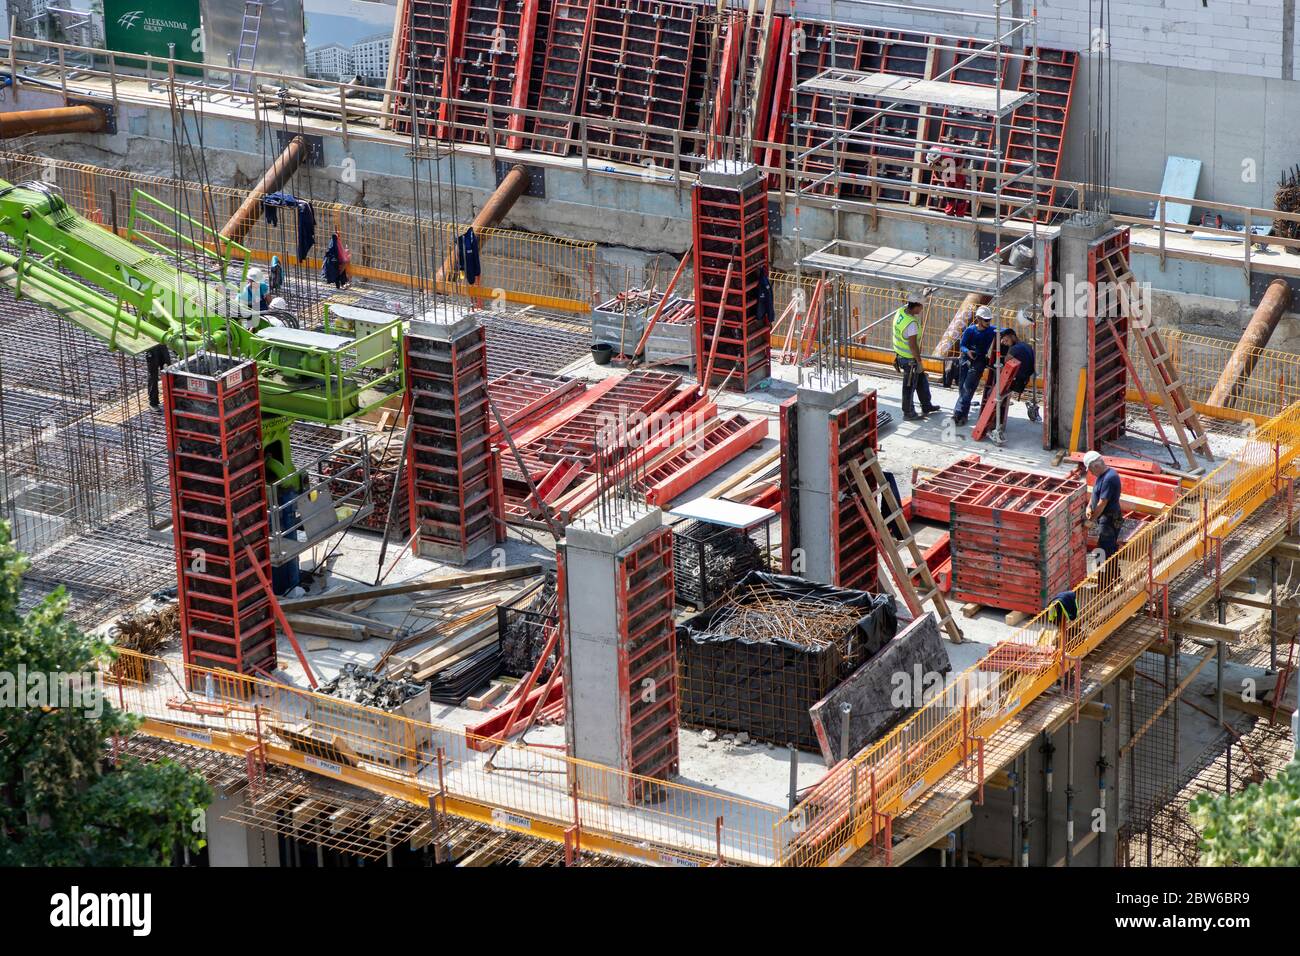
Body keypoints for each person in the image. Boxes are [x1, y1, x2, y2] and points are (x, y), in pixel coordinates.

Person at [892, 291, 940, 421]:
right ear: (916, 306)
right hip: (909, 360)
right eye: (921, 306)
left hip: (900, 355)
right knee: (909, 387)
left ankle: (926, 405)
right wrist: (919, 362)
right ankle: (908, 413)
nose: (922, 308)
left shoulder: (901, 311)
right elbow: (913, 346)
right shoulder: (911, 324)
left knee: (921, 381)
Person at [981, 326, 1037, 433]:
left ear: (1013, 337)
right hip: (1024, 380)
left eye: (1006, 340)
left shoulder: (1014, 349)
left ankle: (993, 422)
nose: (1005, 343)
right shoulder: (1027, 346)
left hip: (1016, 380)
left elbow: (1005, 363)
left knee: (991, 394)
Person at [952, 305, 996, 425]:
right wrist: (967, 352)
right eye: (986, 320)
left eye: (989, 320)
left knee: (968, 387)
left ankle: (958, 413)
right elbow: (962, 345)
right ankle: (963, 415)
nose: (988, 322)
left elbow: (1004, 331)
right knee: (963, 388)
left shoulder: (992, 330)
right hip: (966, 360)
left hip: (979, 361)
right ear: (978, 319)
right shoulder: (970, 330)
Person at [1084, 450, 1124, 561]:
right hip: (1105, 518)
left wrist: (1090, 520)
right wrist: (1089, 506)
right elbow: (1095, 492)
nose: (1091, 473)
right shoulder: (1102, 476)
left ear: (1096, 466)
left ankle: (1105, 576)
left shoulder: (1109, 478)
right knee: (1107, 549)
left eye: (1091, 470)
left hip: (1110, 519)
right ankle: (1115, 576)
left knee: (1103, 550)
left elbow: (1102, 503)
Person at [927, 140, 970, 218]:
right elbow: (931, 159)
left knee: (959, 191)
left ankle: (959, 214)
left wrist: (961, 165)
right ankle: (949, 212)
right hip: (946, 168)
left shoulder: (950, 153)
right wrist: (931, 162)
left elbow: (964, 153)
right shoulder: (933, 150)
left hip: (956, 166)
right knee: (949, 190)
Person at [144, 343, 170, 409]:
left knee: (168, 372)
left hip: (162, 344)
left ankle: (169, 399)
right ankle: (153, 402)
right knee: (153, 376)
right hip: (151, 347)